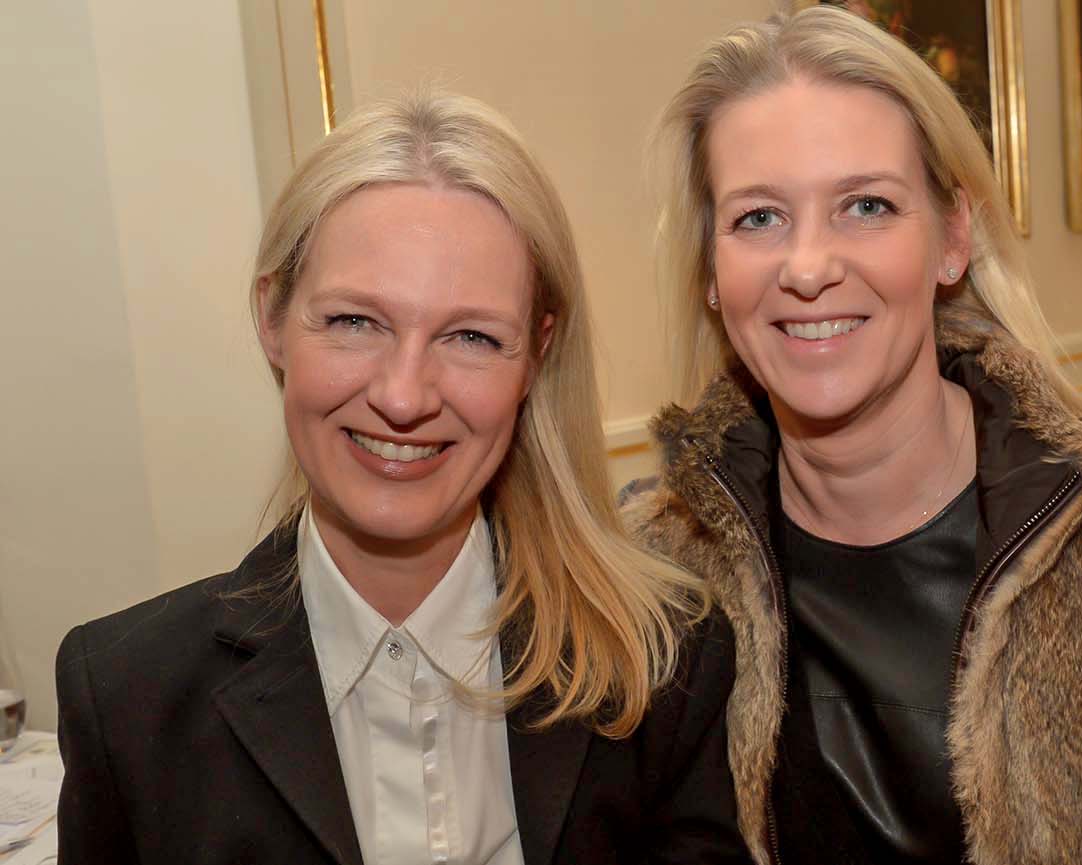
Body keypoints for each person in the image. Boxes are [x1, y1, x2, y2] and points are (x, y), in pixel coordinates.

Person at [622, 7, 1082, 865]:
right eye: (759, 218)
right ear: (713, 272)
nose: (808, 267)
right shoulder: (659, 576)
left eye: (867, 205)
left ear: (951, 239)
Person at [56, 90, 749, 865]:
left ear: (536, 355)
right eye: (355, 321)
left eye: (471, 336)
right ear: (273, 318)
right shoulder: (127, 698)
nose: (403, 396)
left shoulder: (665, 662)